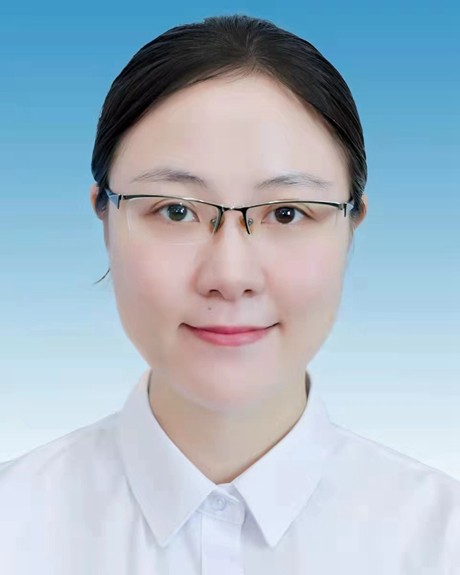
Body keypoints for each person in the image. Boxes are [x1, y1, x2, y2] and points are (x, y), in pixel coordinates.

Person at [1, 13, 459, 574]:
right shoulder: (13, 526)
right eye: (176, 211)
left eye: (286, 213)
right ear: (104, 217)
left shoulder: (441, 542)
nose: (230, 273)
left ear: (352, 225)